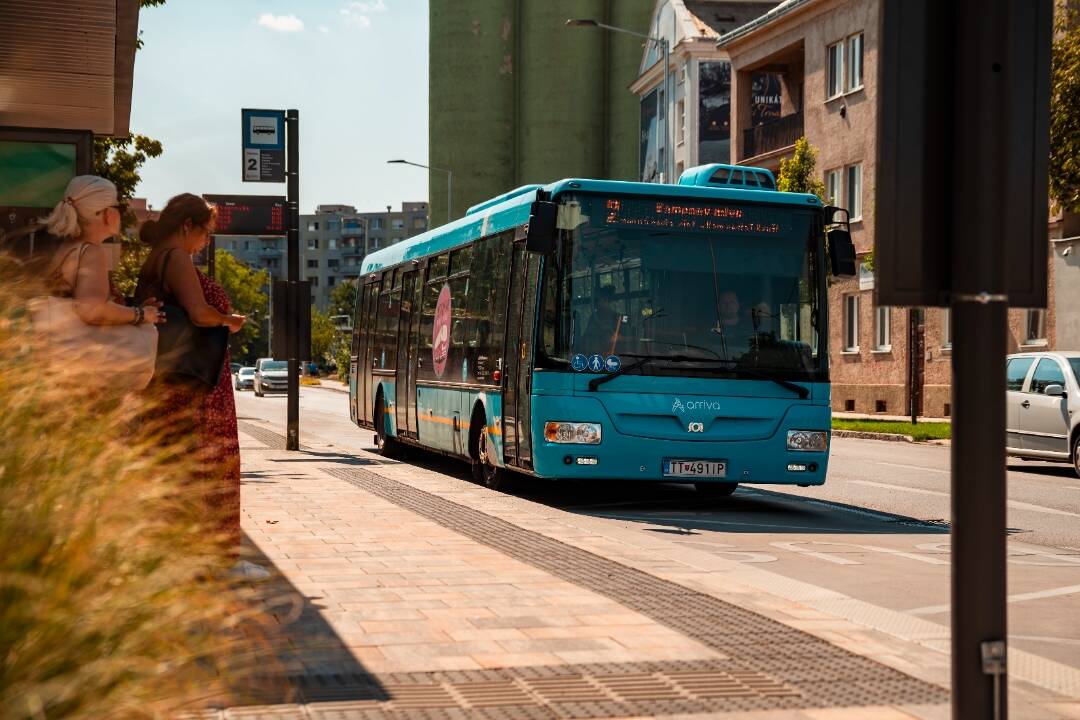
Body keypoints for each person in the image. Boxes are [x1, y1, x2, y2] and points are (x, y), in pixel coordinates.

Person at [134, 194, 265, 579]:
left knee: (181, 467)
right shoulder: (175, 257)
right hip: (198, 384)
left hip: (174, 379)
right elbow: (198, 313)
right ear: (187, 225)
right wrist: (231, 319)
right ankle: (217, 560)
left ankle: (182, 558)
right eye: (206, 232)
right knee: (213, 462)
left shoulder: (155, 258)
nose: (206, 240)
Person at [40, 176, 163, 328]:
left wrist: (132, 310)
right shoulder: (91, 252)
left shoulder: (68, 246)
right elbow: (93, 310)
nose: (121, 214)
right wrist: (141, 315)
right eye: (119, 208)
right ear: (107, 214)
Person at [581, 285, 622, 355]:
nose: (594, 303)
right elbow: (585, 337)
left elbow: (623, 340)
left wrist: (610, 331)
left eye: (596, 300)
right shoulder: (593, 317)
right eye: (593, 300)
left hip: (610, 358)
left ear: (605, 300)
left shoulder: (616, 317)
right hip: (592, 357)